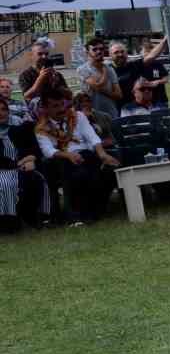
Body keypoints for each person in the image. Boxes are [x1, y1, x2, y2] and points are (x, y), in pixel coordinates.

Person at [35, 92, 119, 224]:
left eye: (62, 104)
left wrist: (102, 154)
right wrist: (68, 155)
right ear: (45, 109)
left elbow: (91, 136)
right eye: (55, 106)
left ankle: (96, 210)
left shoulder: (77, 116)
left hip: (86, 154)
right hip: (61, 159)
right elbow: (48, 150)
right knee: (75, 171)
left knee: (110, 170)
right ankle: (75, 216)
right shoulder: (41, 127)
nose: (61, 109)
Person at [0, 97, 48, 230]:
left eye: (4, 110)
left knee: (36, 177)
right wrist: (20, 162)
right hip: (4, 168)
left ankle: (33, 218)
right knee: (5, 184)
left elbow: (33, 149)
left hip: (19, 166)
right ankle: (9, 221)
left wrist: (31, 158)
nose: (1, 113)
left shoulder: (19, 127)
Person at [18, 40, 69, 108]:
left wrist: (57, 84)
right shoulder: (25, 75)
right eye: (40, 54)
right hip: (37, 109)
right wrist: (40, 78)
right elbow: (27, 96)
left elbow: (69, 95)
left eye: (46, 54)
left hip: (56, 107)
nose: (44, 57)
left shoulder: (55, 74)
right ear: (31, 55)